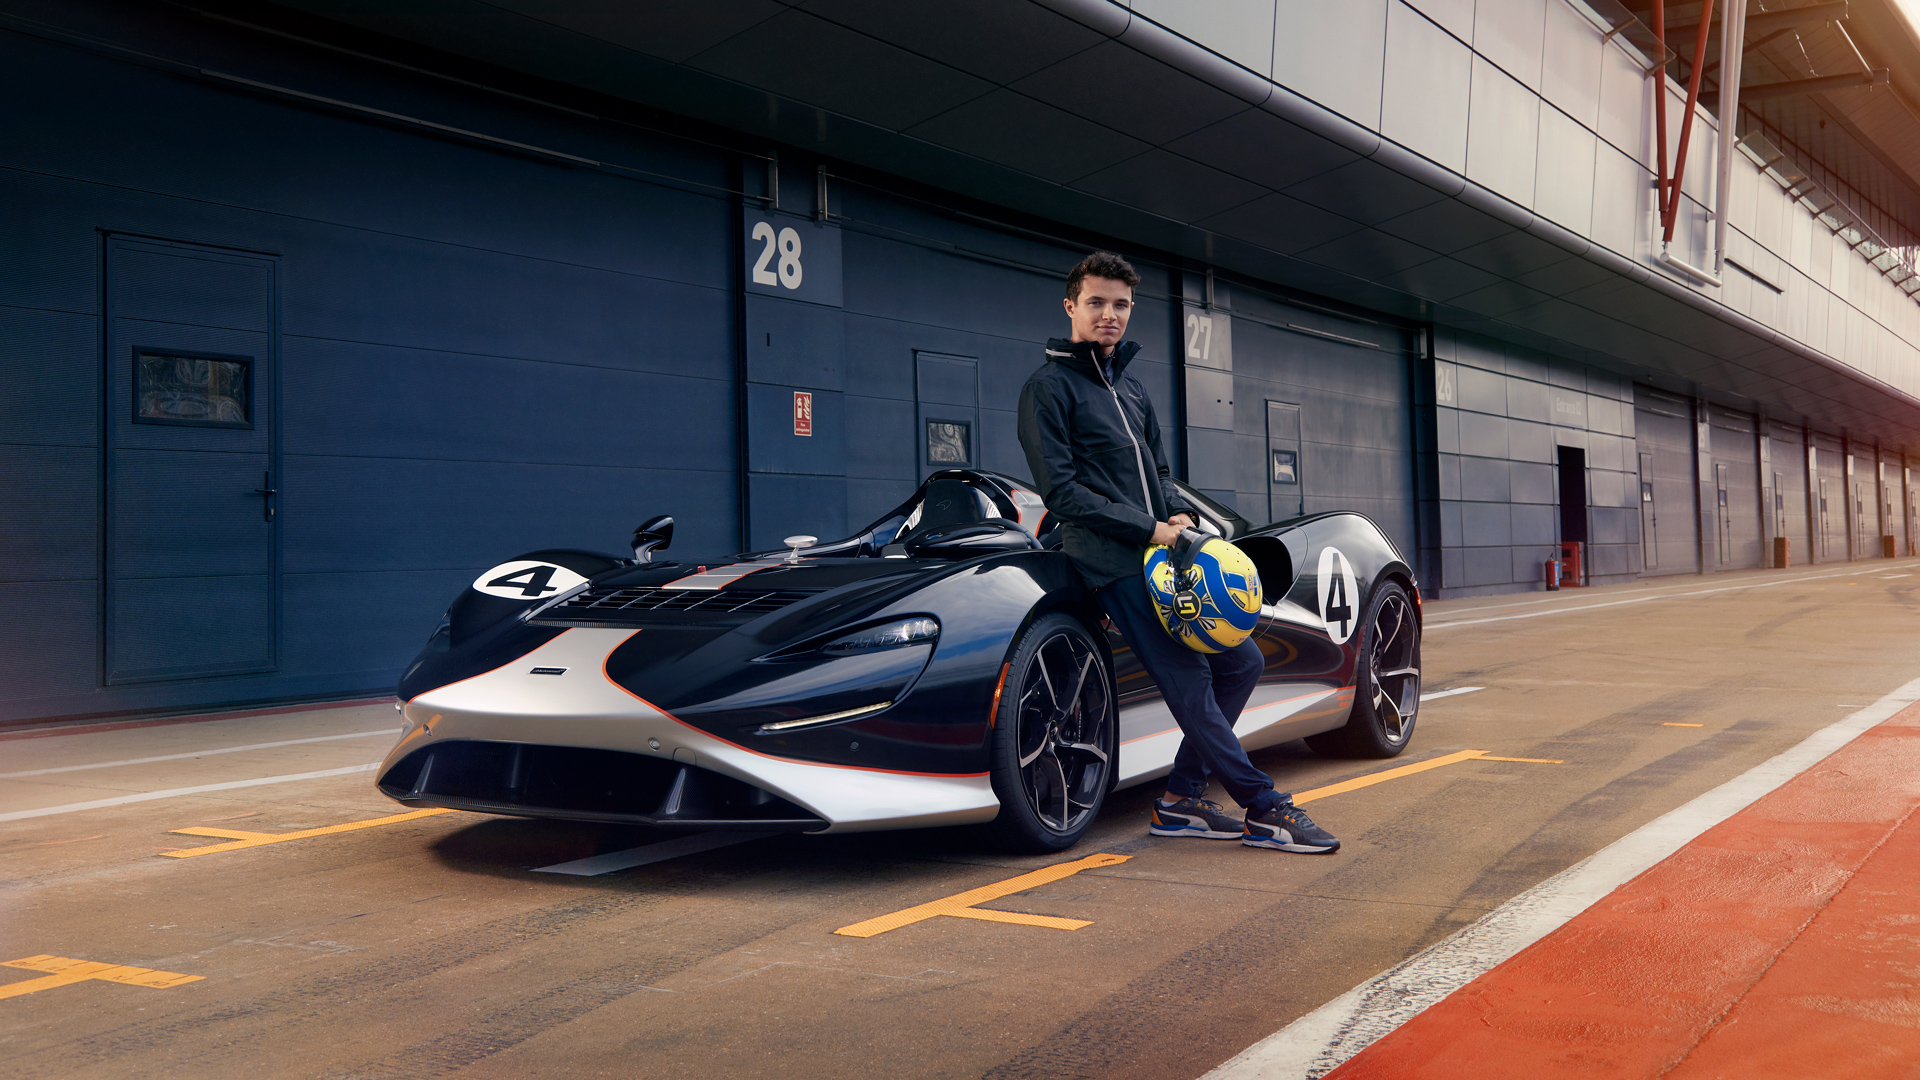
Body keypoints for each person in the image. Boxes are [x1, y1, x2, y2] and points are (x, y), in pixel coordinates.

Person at [1015, 252, 1339, 854]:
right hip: (1108, 563)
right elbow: (1063, 493)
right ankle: (1264, 807)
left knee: (1242, 663)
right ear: (1071, 307)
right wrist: (1150, 530)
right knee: (1189, 679)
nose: (1109, 315)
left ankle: (1181, 799)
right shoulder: (1047, 390)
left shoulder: (1131, 388)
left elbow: (1159, 473)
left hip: (1161, 559)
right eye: (1096, 303)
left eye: (1120, 305)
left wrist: (1178, 512)